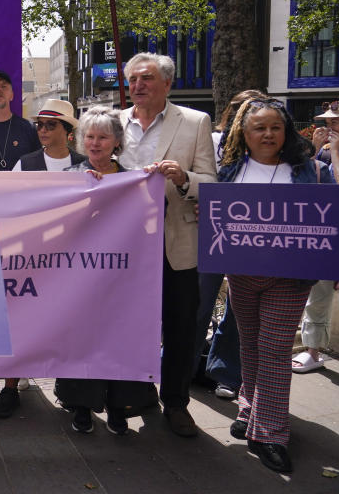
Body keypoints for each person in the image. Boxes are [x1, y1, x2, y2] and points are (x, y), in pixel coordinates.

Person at [218, 97, 333, 472]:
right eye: (259, 128)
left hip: (291, 278)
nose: (268, 134)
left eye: (275, 127)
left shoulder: (313, 171)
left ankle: (270, 433)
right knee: (249, 345)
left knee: (275, 350)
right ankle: (248, 406)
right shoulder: (229, 172)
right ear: (244, 133)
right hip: (242, 274)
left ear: (285, 131)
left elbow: (332, 220)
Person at [117, 52, 216, 438]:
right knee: (128, 323)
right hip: (123, 244)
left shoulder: (194, 122)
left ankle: (176, 403)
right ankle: (133, 396)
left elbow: (210, 182)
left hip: (174, 243)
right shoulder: (113, 121)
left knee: (179, 326)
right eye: (133, 79)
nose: (138, 85)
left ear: (167, 84)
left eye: (147, 78)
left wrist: (184, 177)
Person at [54, 107, 159, 435]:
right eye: (89, 136)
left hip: (121, 280)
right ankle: (82, 406)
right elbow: (59, 225)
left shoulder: (133, 180)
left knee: (119, 342)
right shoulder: (71, 176)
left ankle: (119, 407)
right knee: (82, 341)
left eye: (102, 137)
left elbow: (148, 226)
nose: (95, 143)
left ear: (117, 142)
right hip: (81, 278)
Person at [0, 99, 83, 419]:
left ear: (67, 131)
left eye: (50, 125)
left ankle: (75, 394)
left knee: (70, 321)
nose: (41, 130)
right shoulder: (25, 163)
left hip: (72, 258)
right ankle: (10, 386)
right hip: (32, 257)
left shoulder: (85, 165)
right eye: (39, 124)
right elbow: (12, 206)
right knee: (22, 319)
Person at [196, 90, 264, 400]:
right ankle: (181, 367)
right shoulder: (211, 142)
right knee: (197, 305)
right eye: (239, 110)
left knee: (239, 311)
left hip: (249, 241)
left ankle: (225, 372)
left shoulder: (266, 151)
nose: (243, 117)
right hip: (209, 235)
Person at [291, 99, 339, 375]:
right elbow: (307, 182)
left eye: (335, 121)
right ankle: (312, 350)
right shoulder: (324, 152)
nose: (328, 126)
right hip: (327, 235)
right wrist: (314, 150)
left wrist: (336, 153)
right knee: (318, 293)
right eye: (327, 121)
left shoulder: (334, 152)